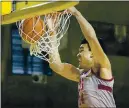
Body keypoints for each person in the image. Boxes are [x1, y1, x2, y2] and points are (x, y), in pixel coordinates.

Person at [48, 7, 116, 108]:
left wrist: (76, 13)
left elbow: (91, 38)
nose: (78, 54)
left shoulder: (103, 68)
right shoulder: (82, 76)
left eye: (81, 50)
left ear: (92, 54)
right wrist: (52, 33)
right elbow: (56, 66)